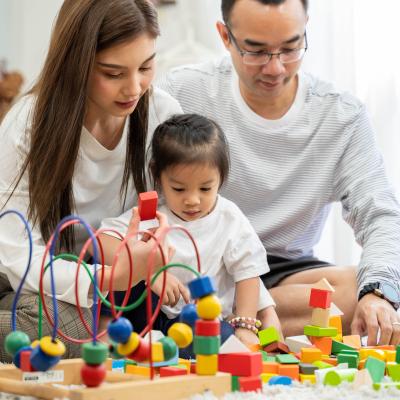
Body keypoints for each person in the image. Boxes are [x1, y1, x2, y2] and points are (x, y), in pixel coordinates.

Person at [156, 0, 400, 345]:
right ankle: (226, 318)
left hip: (286, 272)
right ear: (225, 36)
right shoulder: (181, 92)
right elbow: (139, 189)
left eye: (290, 48)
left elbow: (381, 213)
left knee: (356, 287)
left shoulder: (341, 115)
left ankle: (215, 320)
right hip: (201, 262)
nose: (275, 68)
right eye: (255, 51)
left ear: (306, 30)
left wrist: (377, 294)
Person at [0, 0, 179, 362]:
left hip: (120, 289)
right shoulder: (28, 125)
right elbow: (17, 256)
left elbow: (183, 208)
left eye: (146, 66)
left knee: (179, 319)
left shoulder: (162, 114)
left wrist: (155, 262)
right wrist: (108, 279)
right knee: (76, 334)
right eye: (113, 73)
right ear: (76, 64)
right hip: (38, 284)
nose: (134, 87)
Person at [99, 113, 282, 355]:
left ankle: (168, 351)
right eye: (179, 188)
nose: (193, 200)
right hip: (147, 316)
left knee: (221, 339)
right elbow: (102, 240)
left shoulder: (229, 218)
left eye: (206, 188)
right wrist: (150, 273)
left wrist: (246, 325)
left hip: (198, 320)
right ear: (158, 176)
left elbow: (248, 272)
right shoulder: (151, 215)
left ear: (221, 178)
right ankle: (107, 334)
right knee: (118, 263)